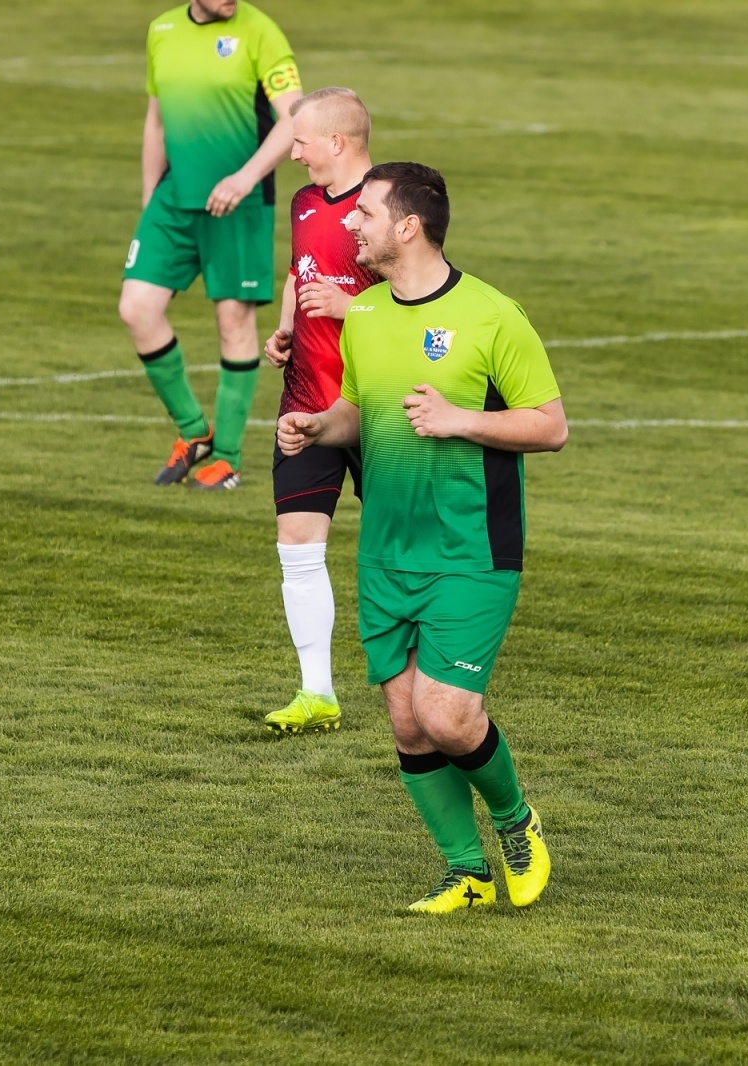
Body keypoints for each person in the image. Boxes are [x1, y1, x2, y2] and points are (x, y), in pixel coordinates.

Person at [277, 162, 569, 913]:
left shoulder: (493, 315)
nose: (350, 224)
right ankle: (465, 872)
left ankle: (517, 822)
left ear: (408, 226)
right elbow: (358, 411)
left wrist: (459, 420)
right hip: (387, 549)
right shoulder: (366, 315)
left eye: (366, 213)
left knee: (447, 715)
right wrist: (319, 426)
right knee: (407, 723)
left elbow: (550, 425)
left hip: (471, 550)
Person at [118, 0, 303, 490]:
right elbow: (156, 122)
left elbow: (294, 118)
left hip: (239, 203)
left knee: (232, 320)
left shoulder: (261, 32)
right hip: (173, 199)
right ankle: (194, 432)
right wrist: (148, 198)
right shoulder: (162, 31)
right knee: (137, 308)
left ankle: (227, 459)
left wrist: (245, 178)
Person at [259, 88, 379, 735]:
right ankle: (317, 692)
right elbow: (299, 271)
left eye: (302, 141)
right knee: (298, 544)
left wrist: (349, 309)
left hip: (377, 404)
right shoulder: (306, 201)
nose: (294, 152)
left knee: (402, 547)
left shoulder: (388, 207)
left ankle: (425, 678)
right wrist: (286, 327)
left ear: (337, 142)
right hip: (307, 402)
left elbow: (421, 300)